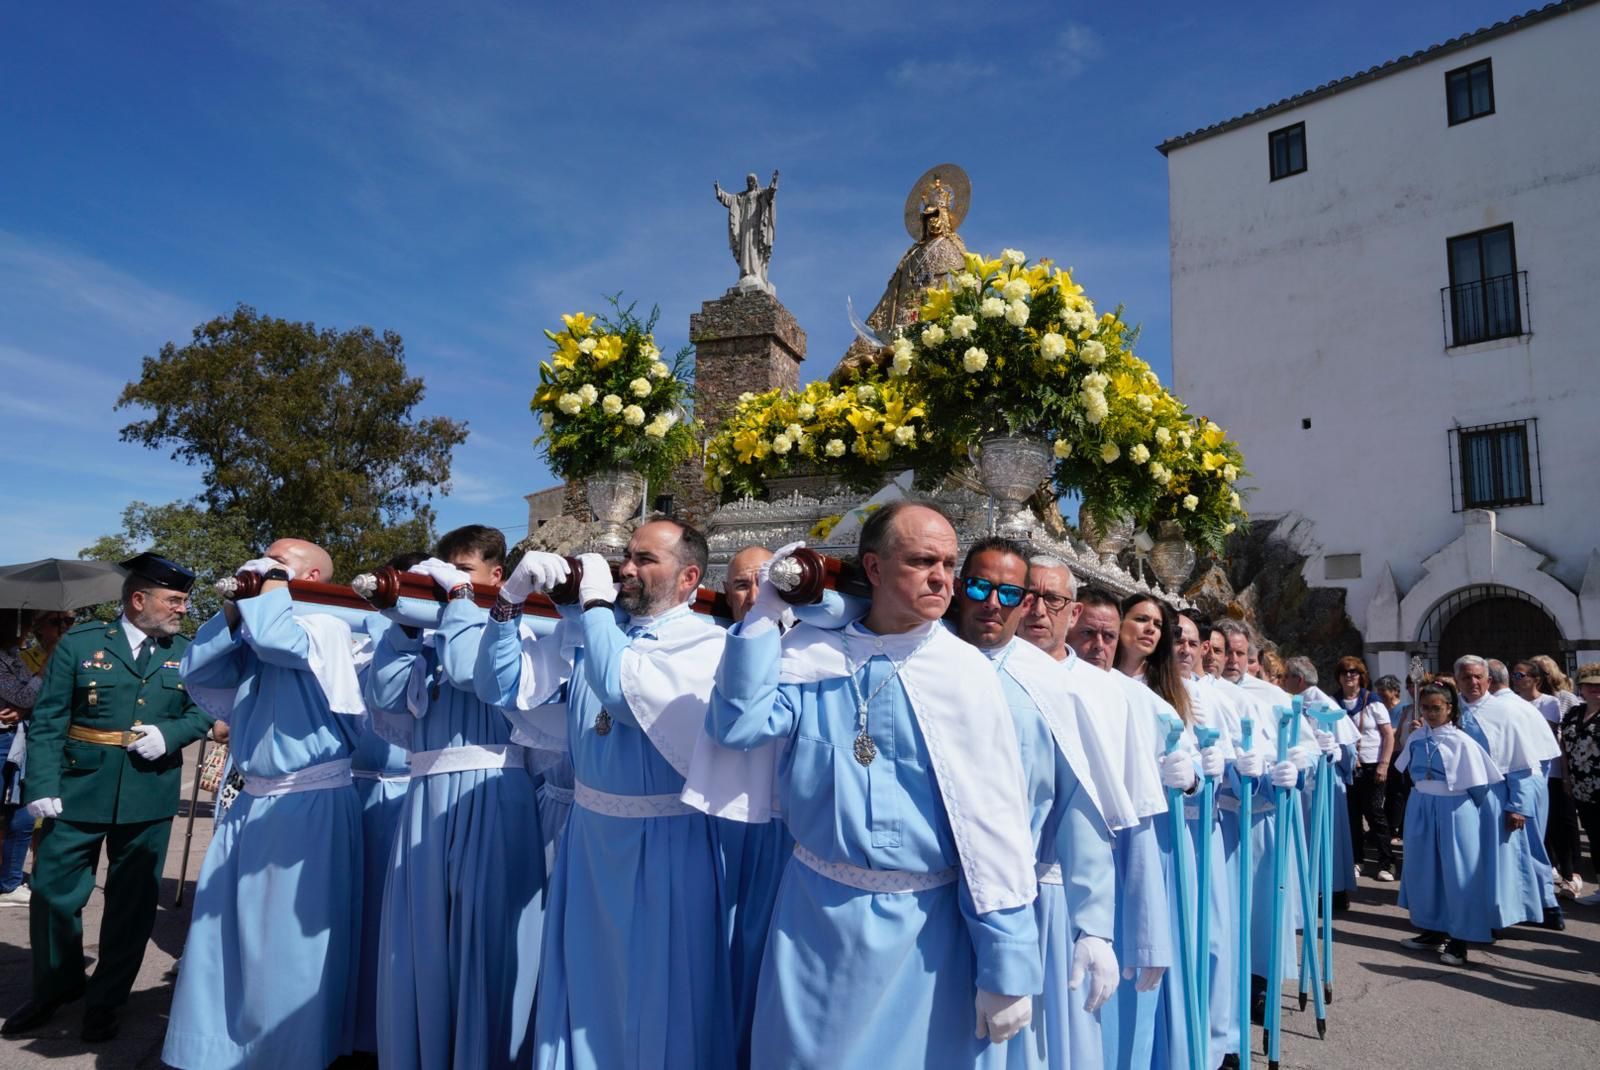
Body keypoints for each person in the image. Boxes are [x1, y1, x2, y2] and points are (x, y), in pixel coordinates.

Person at [707, 502, 1041, 1068]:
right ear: (876, 569)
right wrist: (764, 613)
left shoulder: (964, 675)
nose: (942, 577)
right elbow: (738, 725)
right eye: (921, 561)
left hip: (924, 934)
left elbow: (994, 825)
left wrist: (1006, 960)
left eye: (948, 563)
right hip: (814, 920)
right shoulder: (812, 657)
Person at [476, 517, 737, 1070]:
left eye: (646, 559)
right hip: (589, 842)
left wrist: (593, 607)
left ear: (690, 577)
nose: (626, 569)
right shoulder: (597, 630)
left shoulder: (706, 643)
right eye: (628, 556)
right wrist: (509, 599)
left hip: (664, 843)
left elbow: (620, 690)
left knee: (653, 989)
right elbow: (495, 685)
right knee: (583, 980)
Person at [164, 539, 365, 1069]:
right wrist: (232, 608)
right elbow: (199, 670)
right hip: (254, 800)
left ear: (315, 577)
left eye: (279, 564)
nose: (260, 568)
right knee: (227, 935)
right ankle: (222, 1048)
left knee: (286, 947)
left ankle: (287, 1052)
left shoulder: (330, 626)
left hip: (308, 802)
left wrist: (266, 593)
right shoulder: (259, 625)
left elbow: (279, 639)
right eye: (261, 559)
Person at [4, 555, 212, 1043]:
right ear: (139, 599)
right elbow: (51, 717)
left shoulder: (186, 651)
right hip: (77, 787)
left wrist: (173, 733)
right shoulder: (81, 644)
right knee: (54, 893)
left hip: (150, 791)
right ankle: (55, 988)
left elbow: (204, 708)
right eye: (175, 600)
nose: (182, 609)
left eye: (183, 600)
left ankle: (106, 1000)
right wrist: (42, 787)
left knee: (131, 904)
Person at [364, 525, 543, 1070]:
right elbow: (385, 694)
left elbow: (473, 673)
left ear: (496, 576)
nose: (449, 584)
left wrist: (464, 604)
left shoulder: (518, 627)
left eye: (463, 573)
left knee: (481, 934)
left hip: (491, 791)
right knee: (419, 936)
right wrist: (403, 629)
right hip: (426, 797)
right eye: (443, 573)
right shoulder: (436, 631)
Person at [953, 538, 1117, 1070]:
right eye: (979, 586)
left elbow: (1079, 807)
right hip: (924, 896)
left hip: (1016, 898)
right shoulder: (923, 656)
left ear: (1025, 603)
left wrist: (1094, 925)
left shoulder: (1049, 685)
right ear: (960, 589)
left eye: (1008, 592)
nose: (991, 602)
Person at [1396, 681, 1502, 967]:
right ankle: (1432, 928)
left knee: (1458, 873)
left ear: (1450, 709)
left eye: (1436, 708)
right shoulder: (1417, 738)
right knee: (1424, 871)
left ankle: (1459, 939)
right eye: (1426, 708)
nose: (1431, 713)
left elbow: (1479, 788)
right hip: (1421, 807)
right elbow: (1406, 773)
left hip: (1454, 809)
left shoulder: (1462, 742)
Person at [1452, 655, 1559, 933]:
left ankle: (1500, 918)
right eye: (1466, 677)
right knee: (1468, 861)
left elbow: (1520, 764)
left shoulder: (1506, 712)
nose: (1473, 682)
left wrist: (1517, 806)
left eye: (1478, 677)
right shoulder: (1452, 710)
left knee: (1501, 861)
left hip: (1496, 797)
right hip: (1461, 799)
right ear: (1457, 681)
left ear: (1489, 681)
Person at [1281, 657, 1357, 901]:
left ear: (1299, 679)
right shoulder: (1300, 702)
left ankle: (1329, 890)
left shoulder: (1321, 704)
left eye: (1286, 677)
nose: (1282, 682)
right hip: (1312, 779)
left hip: (1323, 778)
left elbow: (1347, 748)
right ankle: (1321, 888)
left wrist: (1338, 769)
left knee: (1325, 834)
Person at [1517, 659, 1583, 898]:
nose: (1517, 680)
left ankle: (1571, 874)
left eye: (1521, 675)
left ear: (1536, 679)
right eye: (1515, 676)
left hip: (1551, 771)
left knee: (1560, 824)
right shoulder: (1512, 703)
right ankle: (1545, 872)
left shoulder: (1550, 702)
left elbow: (1548, 733)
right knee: (1536, 827)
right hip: (1525, 771)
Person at [1332, 656, 1395, 881]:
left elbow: (1388, 735)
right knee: (1351, 816)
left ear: (1361, 676)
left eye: (1354, 672)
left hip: (1372, 766)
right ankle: (1356, 860)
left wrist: (1384, 765)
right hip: (1346, 767)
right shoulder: (1333, 703)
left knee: (1375, 814)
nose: (1349, 676)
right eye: (1345, 672)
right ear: (1338, 677)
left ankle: (1386, 863)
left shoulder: (1373, 701)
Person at [0, 610, 40, 906]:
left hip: (15, 739)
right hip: (4, 739)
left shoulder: (13, 655)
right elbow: (24, 696)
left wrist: (25, 709)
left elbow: (27, 701)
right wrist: (49, 665)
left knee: (24, 814)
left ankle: (9, 881)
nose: (28, 630)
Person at [1558, 665, 1600, 906]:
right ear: (1581, 688)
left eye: (1599, 685)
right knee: (1595, 838)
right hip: (1582, 787)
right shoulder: (1574, 713)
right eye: (1590, 685)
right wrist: (1565, 777)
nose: (1595, 689)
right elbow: (1564, 748)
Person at [1374, 675, 1412, 840]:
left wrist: (1387, 733)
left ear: (1395, 691)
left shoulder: (1403, 708)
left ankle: (1398, 828)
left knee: (1399, 794)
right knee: (1389, 793)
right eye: (1378, 691)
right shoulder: (1380, 708)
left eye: (1384, 690)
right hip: (1384, 755)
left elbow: (1397, 732)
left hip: (1399, 755)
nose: (1380, 694)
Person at [723, 545, 774, 625]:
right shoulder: (713, 636)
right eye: (742, 586)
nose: (753, 599)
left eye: (763, 584)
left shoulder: (799, 636)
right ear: (728, 595)